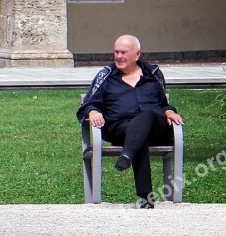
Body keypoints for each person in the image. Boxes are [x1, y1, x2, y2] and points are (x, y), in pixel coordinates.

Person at [77, 35, 184, 209]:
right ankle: (146, 198)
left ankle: (127, 155)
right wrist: (93, 110)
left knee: (147, 115)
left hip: (155, 128)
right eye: (116, 52)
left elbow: (163, 104)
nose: (118, 56)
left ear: (137, 54)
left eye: (123, 52)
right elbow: (90, 103)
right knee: (137, 134)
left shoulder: (153, 75)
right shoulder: (106, 77)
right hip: (120, 128)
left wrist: (170, 111)